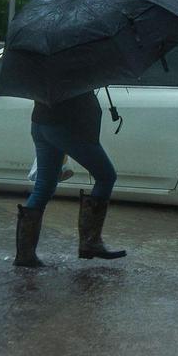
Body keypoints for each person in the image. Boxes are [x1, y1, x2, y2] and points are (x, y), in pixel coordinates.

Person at [14, 90, 125, 268]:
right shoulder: (73, 66)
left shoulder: (47, 66)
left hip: (41, 124)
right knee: (106, 176)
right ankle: (90, 242)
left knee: (44, 187)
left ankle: (25, 256)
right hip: (64, 127)